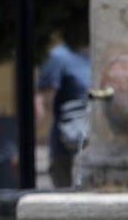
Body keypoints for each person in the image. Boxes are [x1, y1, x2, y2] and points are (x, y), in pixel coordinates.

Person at [35, 40, 92, 188]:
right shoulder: (59, 57)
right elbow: (41, 101)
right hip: (65, 148)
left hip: (95, 147)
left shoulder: (101, 54)